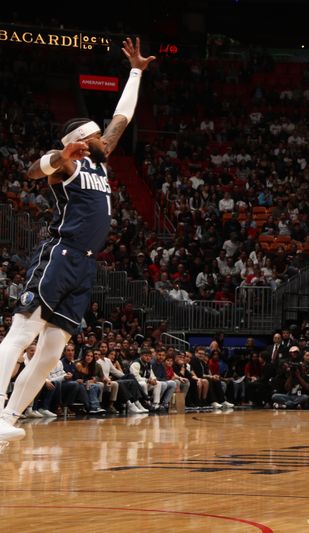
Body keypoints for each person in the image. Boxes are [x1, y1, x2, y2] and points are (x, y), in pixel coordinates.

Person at [0, 38, 154, 441]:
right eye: (101, 135)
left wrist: (136, 71)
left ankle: (9, 417)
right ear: (86, 139)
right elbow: (34, 172)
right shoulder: (67, 164)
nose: (109, 137)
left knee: (51, 351)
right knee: (21, 334)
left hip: (85, 264)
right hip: (60, 254)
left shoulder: (101, 162)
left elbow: (123, 116)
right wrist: (58, 156)